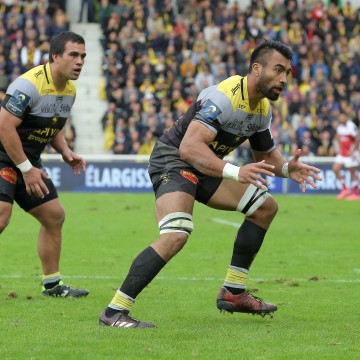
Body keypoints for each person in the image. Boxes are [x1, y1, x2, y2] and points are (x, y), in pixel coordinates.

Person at [99, 40, 322, 328]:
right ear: (256, 68)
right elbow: (189, 148)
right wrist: (234, 171)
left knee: (265, 208)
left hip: (206, 166)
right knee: (177, 232)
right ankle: (114, 311)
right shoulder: (226, 97)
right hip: (174, 159)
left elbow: (266, 155)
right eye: (278, 70)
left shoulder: (262, 108)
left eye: (287, 73)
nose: (284, 79)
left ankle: (233, 292)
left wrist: (287, 168)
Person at [0, 31, 89, 297]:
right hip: (4, 157)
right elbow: (4, 127)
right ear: (55, 57)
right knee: (1, 216)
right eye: (73, 55)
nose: (80, 61)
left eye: (83, 56)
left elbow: (53, 124)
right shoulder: (28, 85)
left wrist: (65, 151)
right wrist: (26, 170)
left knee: (54, 216)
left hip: (28, 164)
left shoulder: (69, 90)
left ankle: (52, 285)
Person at [332, 112, 359, 200]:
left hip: (350, 153)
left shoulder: (351, 126)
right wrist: (338, 148)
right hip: (342, 153)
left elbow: (357, 138)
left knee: (352, 172)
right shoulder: (339, 127)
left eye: (342, 117)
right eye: (340, 117)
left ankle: (355, 193)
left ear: (346, 117)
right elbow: (338, 138)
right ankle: (345, 189)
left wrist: (353, 151)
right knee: (335, 169)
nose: (341, 118)